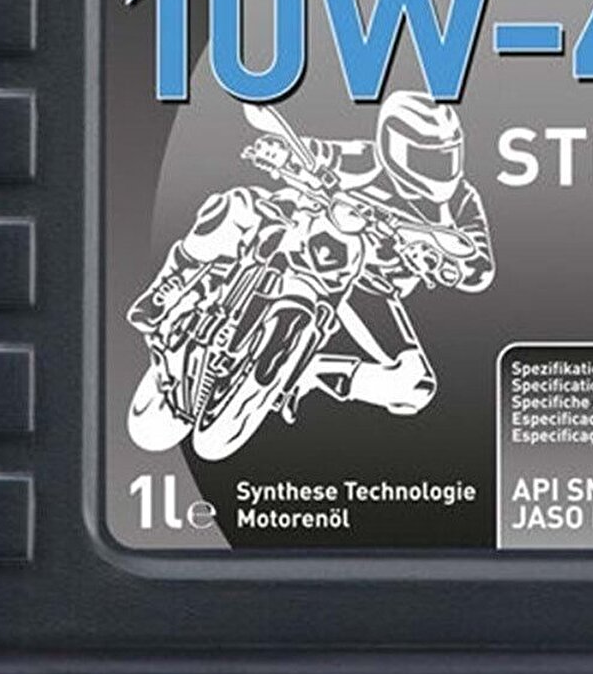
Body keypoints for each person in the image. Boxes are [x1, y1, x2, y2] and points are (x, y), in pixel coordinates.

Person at [126, 92, 493, 443]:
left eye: (447, 156)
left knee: (415, 386)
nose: (442, 169)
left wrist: (445, 264)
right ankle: (171, 285)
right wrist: (280, 149)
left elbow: (480, 265)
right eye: (428, 158)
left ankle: (314, 372)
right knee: (236, 205)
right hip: (303, 233)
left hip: (366, 287)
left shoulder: (462, 200)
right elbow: (317, 152)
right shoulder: (364, 159)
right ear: (394, 147)